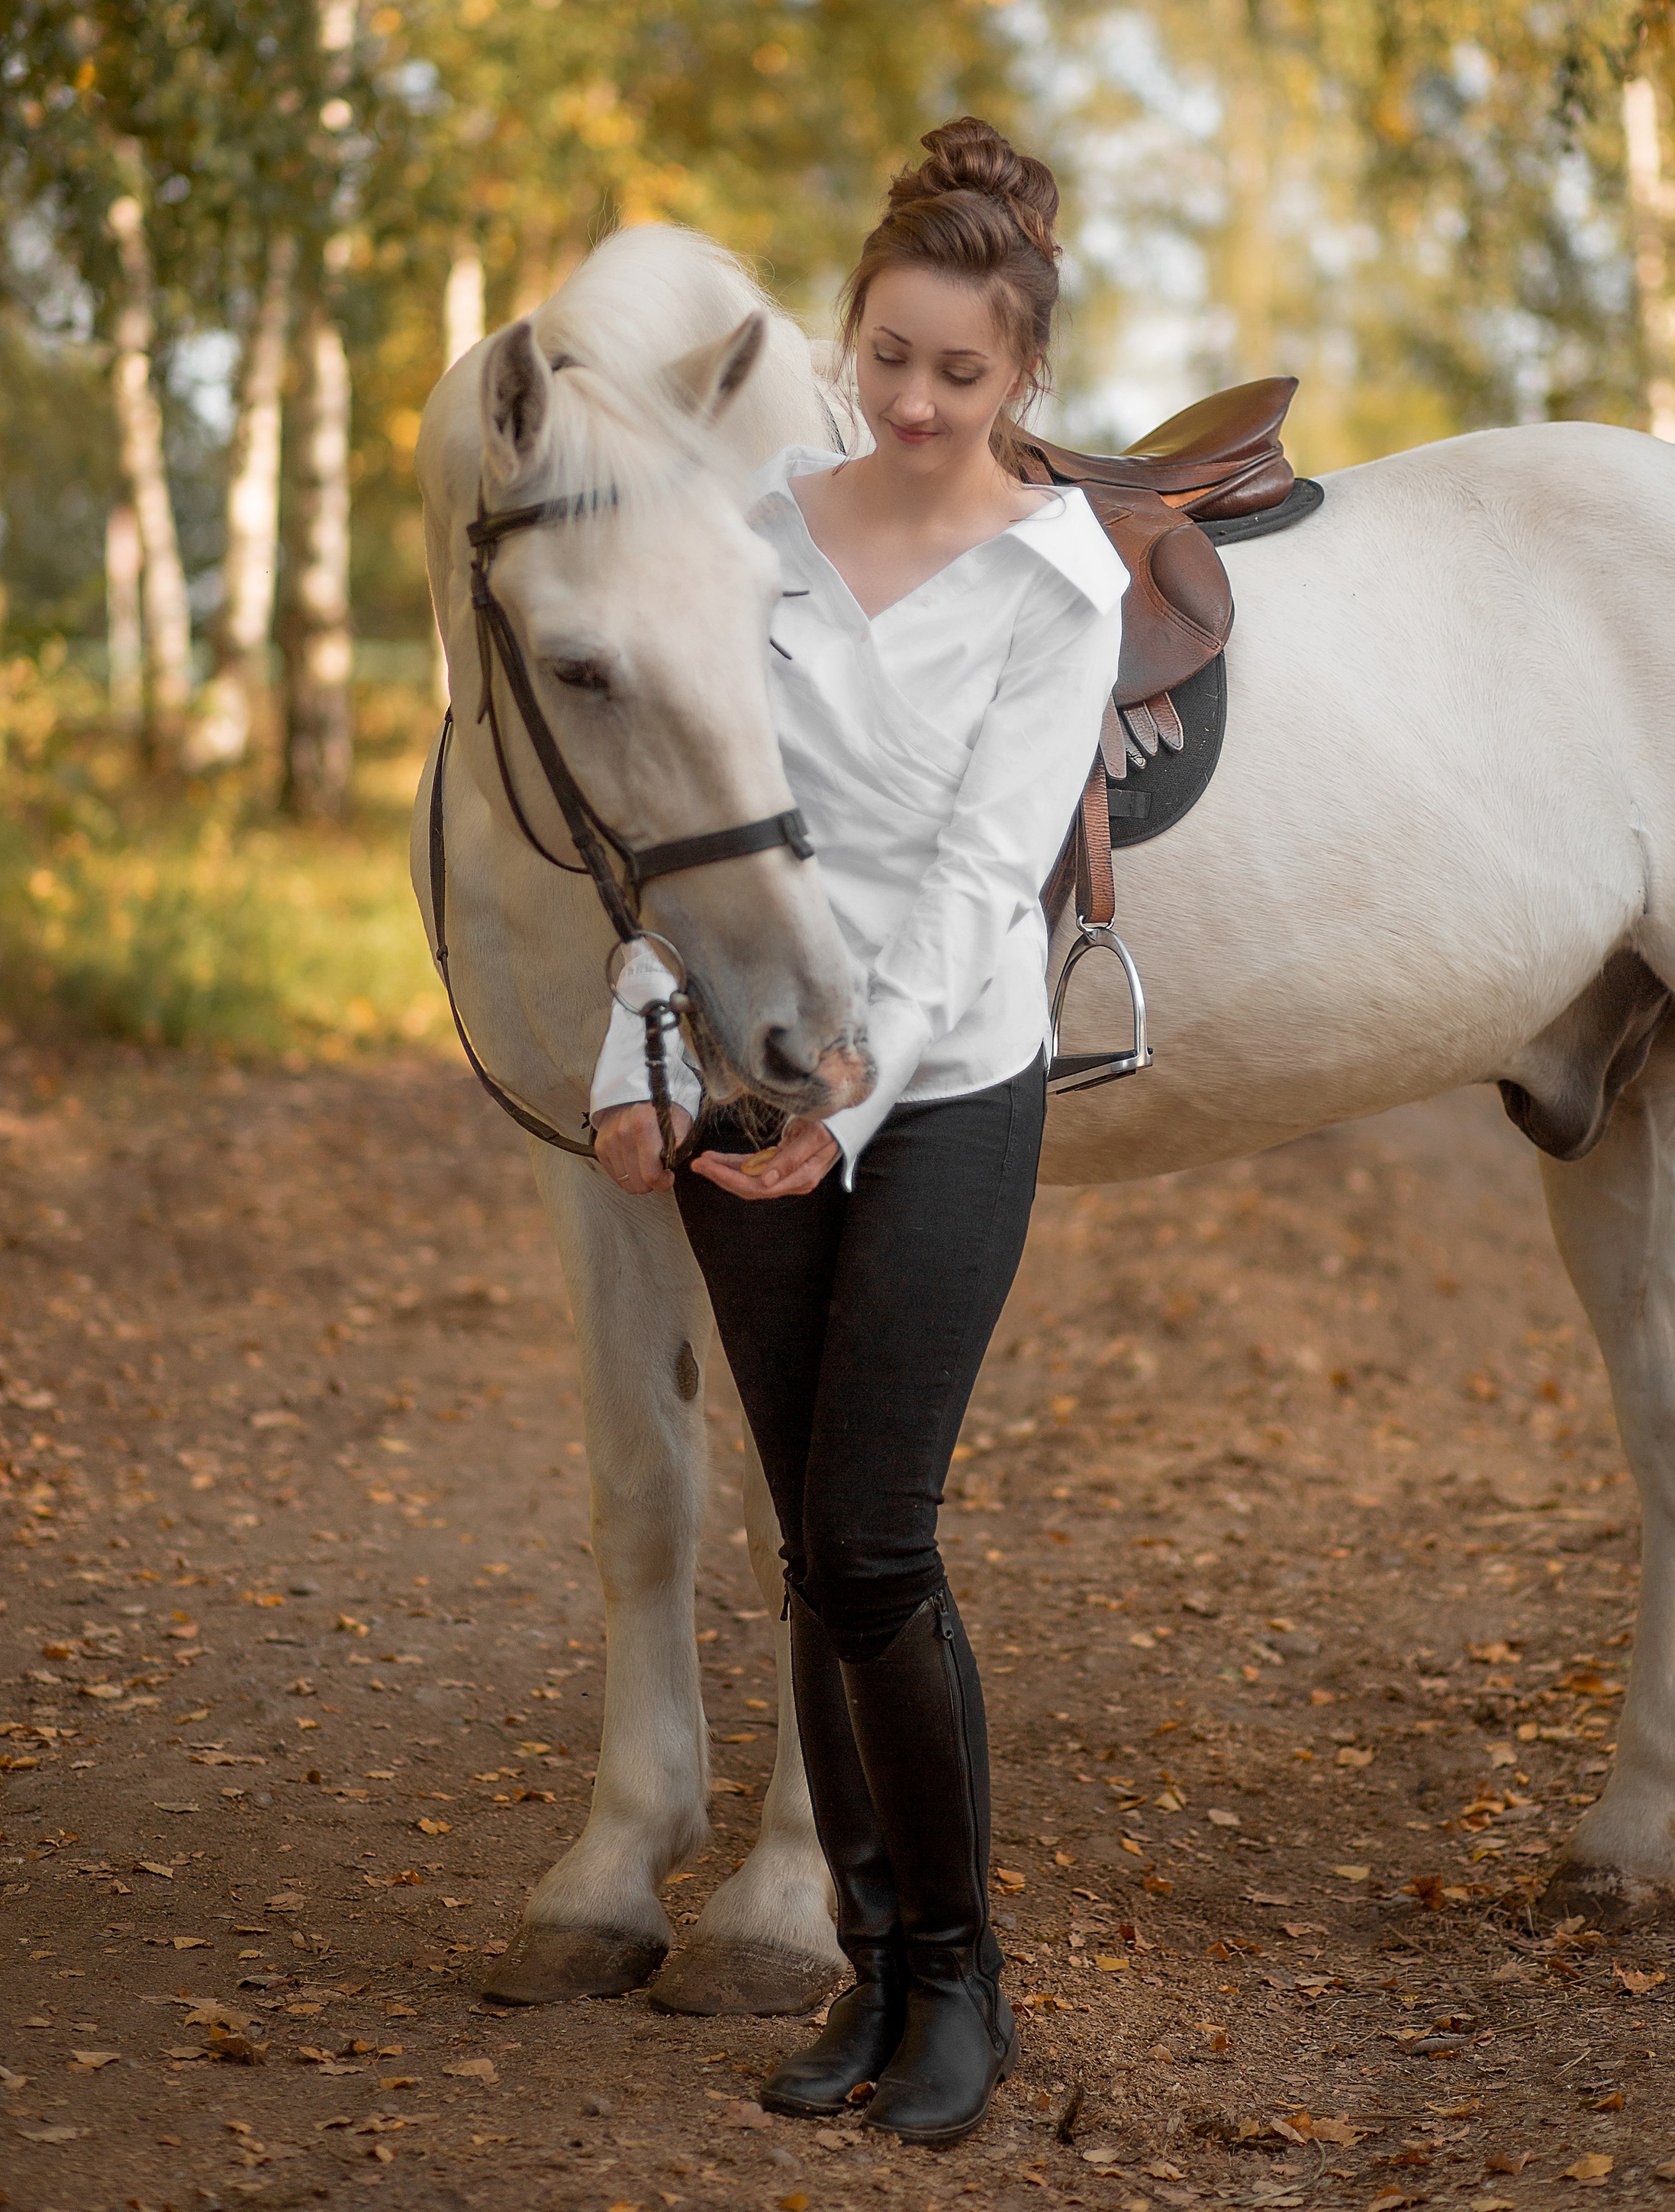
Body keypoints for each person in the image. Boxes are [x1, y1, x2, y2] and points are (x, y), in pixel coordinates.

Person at [588, 118, 1125, 2148]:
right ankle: (872, 1975)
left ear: (1021, 382)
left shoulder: (1057, 582)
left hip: (949, 1075)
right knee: (813, 1549)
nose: (913, 403)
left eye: (959, 376)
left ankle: (960, 1973)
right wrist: (634, 1066)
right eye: (887, 357)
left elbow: (987, 879)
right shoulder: (754, 534)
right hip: (741, 1062)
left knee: (882, 1536)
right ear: (853, 336)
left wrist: (852, 1103)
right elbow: (687, 825)